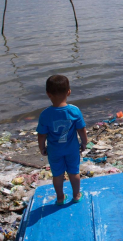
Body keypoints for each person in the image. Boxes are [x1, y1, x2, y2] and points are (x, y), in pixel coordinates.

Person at [37, 75, 87, 205]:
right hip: (71, 149)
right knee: (74, 172)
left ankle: (60, 198)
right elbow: (81, 129)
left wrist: (41, 147)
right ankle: (76, 195)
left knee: (57, 175)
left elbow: (41, 135)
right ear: (69, 92)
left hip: (54, 151)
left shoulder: (45, 114)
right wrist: (84, 142)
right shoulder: (74, 111)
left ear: (48, 94)